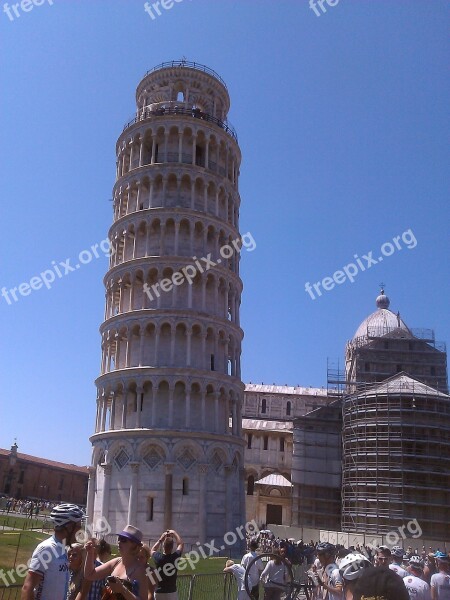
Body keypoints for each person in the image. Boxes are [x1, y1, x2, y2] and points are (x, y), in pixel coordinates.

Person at [21, 503, 84, 600]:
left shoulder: (63, 549)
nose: (80, 531)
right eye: (78, 527)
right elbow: (27, 588)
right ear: (69, 527)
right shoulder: (47, 549)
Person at [84, 525, 149, 600]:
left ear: (134, 545)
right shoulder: (116, 562)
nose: (119, 542)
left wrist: (122, 590)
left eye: (123, 540)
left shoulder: (140, 570)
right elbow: (89, 575)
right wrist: (90, 553)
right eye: (119, 539)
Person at [150, 529, 184, 599]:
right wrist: (174, 533)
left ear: (163, 546)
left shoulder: (158, 557)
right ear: (172, 547)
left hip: (159, 592)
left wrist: (161, 539)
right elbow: (181, 544)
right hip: (171, 592)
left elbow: (152, 550)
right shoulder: (175, 557)